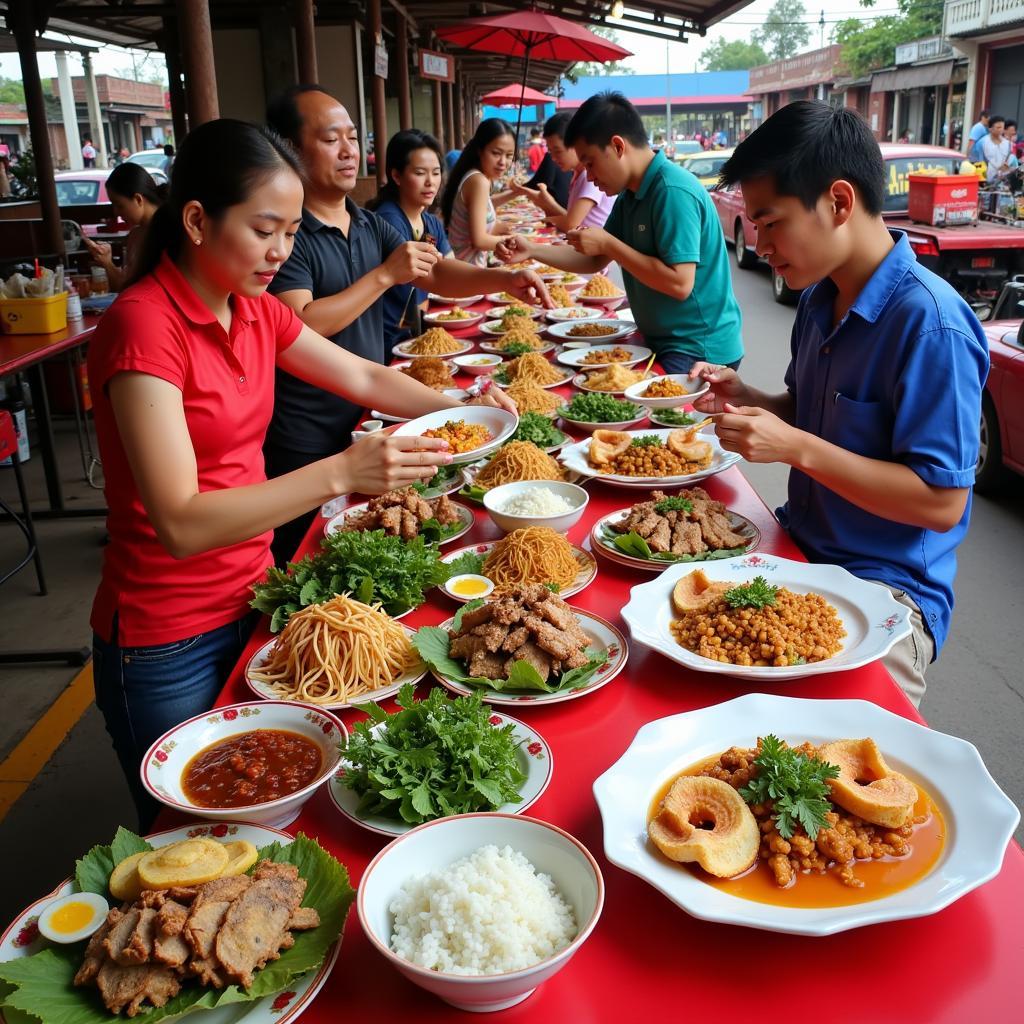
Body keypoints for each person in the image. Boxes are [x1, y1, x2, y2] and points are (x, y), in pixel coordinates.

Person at [87, 117, 513, 827]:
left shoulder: (253, 309)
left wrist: (468, 412)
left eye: (289, 232)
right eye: (264, 230)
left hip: (256, 602)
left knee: (276, 817)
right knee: (197, 840)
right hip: (166, 640)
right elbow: (183, 522)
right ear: (196, 220)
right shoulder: (143, 326)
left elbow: (366, 379)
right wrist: (341, 472)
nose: (280, 252)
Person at [689, 100, 988, 707]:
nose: (760, 245)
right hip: (800, 551)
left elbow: (940, 502)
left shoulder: (931, 325)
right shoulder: (819, 299)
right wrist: (754, 401)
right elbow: (811, 413)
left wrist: (794, 447)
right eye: (752, 226)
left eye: (772, 223)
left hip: (889, 591)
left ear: (839, 202)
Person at [265, 88, 539, 564]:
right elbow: (300, 326)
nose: (350, 150)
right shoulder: (289, 238)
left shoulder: (368, 224)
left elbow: (434, 272)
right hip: (309, 438)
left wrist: (505, 278)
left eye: (354, 137)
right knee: (309, 564)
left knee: (376, 552)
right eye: (332, 139)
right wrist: (384, 275)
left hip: (373, 418)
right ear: (287, 149)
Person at [498, 92, 743, 375]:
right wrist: (531, 249)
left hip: (697, 348)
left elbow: (679, 284)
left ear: (617, 146)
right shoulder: (629, 194)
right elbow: (593, 259)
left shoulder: (672, 191)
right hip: (662, 339)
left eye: (590, 163)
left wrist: (610, 245)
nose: (589, 177)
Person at [366, 128, 453, 345]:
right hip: (389, 338)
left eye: (435, 172)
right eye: (420, 172)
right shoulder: (388, 220)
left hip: (415, 330)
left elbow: (450, 265)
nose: (431, 181)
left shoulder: (430, 221)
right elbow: (435, 275)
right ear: (396, 175)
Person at [510, 112, 615, 233]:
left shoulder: (589, 177)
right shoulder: (577, 175)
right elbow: (571, 219)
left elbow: (571, 224)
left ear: (576, 145)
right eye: (550, 152)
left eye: (558, 151)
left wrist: (545, 212)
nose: (553, 158)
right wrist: (546, 204)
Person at [441, 118, 520, 267]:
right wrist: (516, 240)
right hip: (466, 274)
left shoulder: (478, 177)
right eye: (496, 153)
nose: (503, 162)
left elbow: (483, 207)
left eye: (509, 155)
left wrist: (501, 228)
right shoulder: (478, 181)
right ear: (480, 150)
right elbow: (479, 240)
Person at [83, 162, 167, 290]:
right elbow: (125, 289)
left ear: (138, 199)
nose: (116, 212)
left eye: (119, 205)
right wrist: (107, 262)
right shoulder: (135, 235)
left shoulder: (169, 231)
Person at [979, 115, 1012, 183]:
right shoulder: (983, 142)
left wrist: (1006, 166)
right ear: (990, 129)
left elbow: (1008, 161)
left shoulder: (1008, 144)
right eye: (998, 127)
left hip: (1003, 180)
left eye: (1002, 127)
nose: (1001, 130)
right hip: (986, 179)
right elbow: (978, 161)